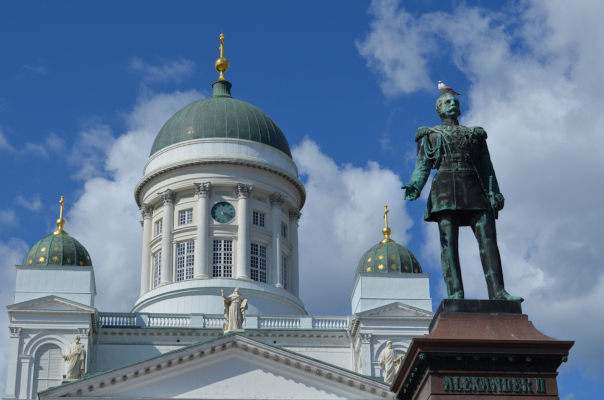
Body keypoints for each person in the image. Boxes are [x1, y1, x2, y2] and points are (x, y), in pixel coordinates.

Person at [402, 93, 522, 302]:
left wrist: (494, 191)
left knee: (489, 241)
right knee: (449, 244)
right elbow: (422, 167)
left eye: (455, 101)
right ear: (439, 109)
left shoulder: (474, 134)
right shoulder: (429, 134)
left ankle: (498, 292)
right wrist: (415, 186)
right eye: (447, 102)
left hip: (475, 187)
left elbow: (487, 168)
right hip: (445, 189)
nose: (452, 104)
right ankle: (456, 294)